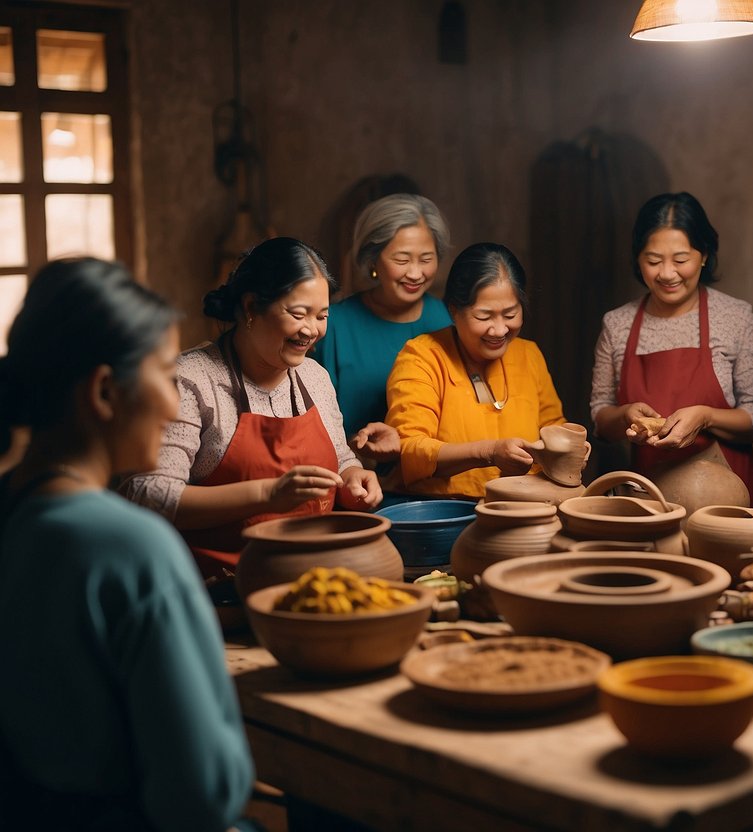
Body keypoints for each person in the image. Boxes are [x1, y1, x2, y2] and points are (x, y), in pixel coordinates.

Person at [0, 259, 254, 830]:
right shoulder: (132, 547)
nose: (172, 403)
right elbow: (203, 793)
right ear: (106, 391)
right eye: (165, 374)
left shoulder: (12, 509)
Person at [122, 237, 381, 581]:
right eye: (298, 313)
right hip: (220, 585)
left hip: (315, 578)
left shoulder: (314, 377)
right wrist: (267, 494)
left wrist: (353, 477)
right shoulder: (193, 380)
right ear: (249, 308)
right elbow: (148, 494)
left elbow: (341, 457)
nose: (312, 330)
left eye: (322, 315)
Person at [590, 192, 753, 505]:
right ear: (638, 258)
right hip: (651, 500)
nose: (666, 273)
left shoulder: (735, 318)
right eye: (652, 260)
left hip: (728, 501)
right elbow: (600, 417)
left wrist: (705, 417)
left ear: (703, 255)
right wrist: (625, 416)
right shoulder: (617, 325)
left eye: (680, 260)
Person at [386, 242, 566, 499]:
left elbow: (553, 427)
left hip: (526, 507)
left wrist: (569, 448)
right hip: (445, 512)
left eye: (510, 313)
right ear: (454, 311)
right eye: (484, 317)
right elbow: (411, 449)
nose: (500, 330)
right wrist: (489, 452)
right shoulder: (420, 357)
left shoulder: (529, 355)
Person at [313, 194, 453, 483]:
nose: (415, 273)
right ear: (372, 258)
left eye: (426, 259)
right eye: (402, 260)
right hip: (355, 481)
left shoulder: (447, 320)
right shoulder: (334, 325)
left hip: (439, 482)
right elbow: (312, 422)